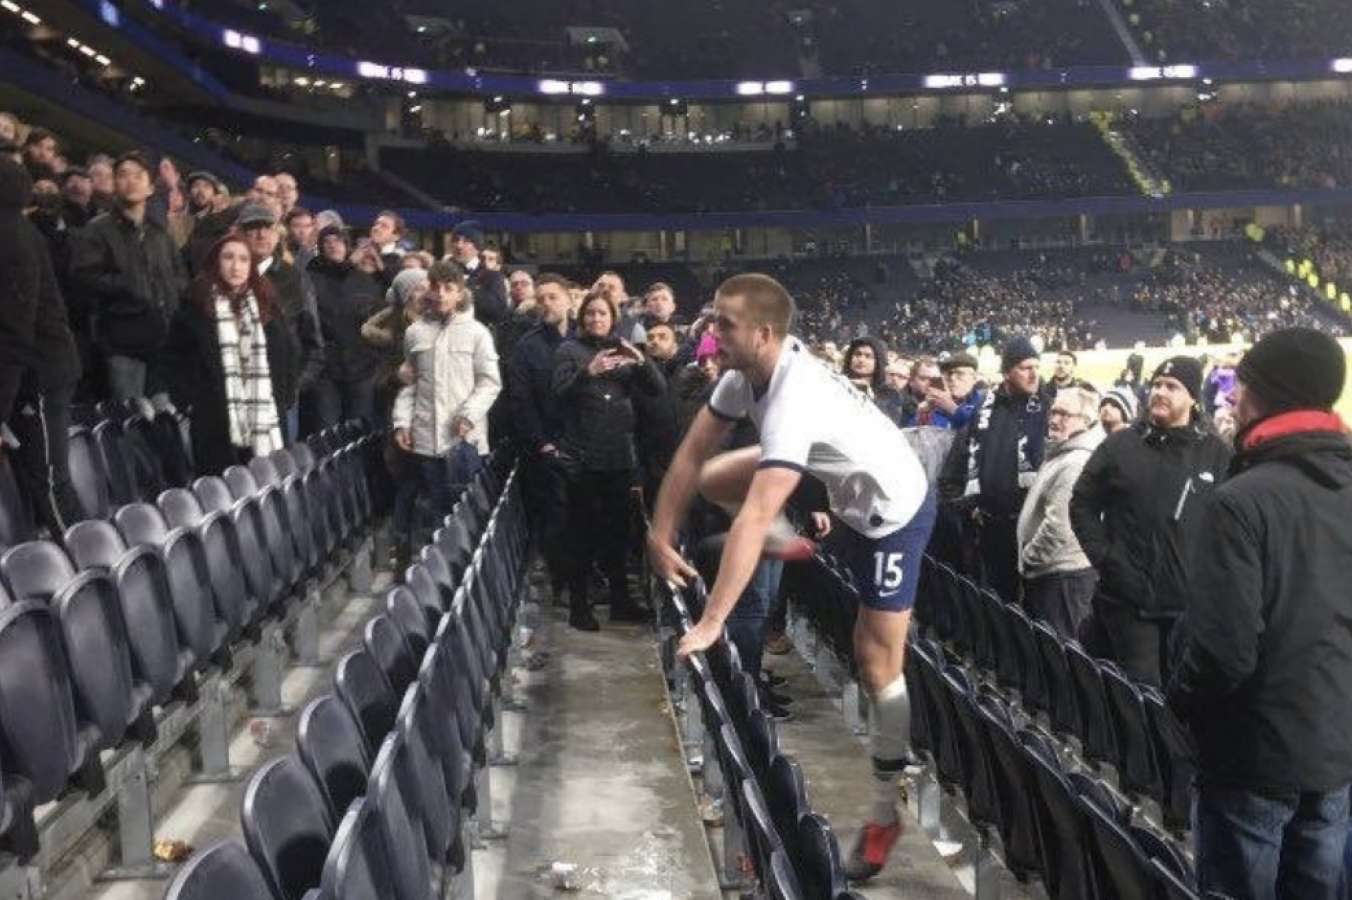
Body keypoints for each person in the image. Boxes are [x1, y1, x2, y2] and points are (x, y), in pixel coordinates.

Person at [646, 273, 936, 882]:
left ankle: (886, 810)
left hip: (892, 509)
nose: (710, 333)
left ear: (764, 333)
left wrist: (711, 621)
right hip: (838, 471)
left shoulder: (793, 401)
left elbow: (750, 516)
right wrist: (659, 532)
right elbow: (690, 455)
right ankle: (787, 539)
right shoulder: (742, 376)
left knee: (876, 660)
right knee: (716, 475)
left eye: (723, 324)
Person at [1169, 328, 1352, 900]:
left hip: (1250, 759)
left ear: (1264, 393)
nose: (1231, 397)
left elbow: (1223, 651)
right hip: (1335, 752)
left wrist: (1181, 706)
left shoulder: (1240, 500)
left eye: (1238, 384)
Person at [1070, 355, 1232, 686]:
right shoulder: (1120, 445)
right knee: (1143, 695)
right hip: (1129, 601)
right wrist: (1106, 558)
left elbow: (1230, 524)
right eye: (1157, 384)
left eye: (1171, 387)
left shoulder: (1216, 453)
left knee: (1182, 697)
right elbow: (1082, 503)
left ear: (1192, 397)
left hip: (1188, 607)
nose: (1160, 391)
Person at [553, 290, 664, 630]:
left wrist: (641, 361)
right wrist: (588, 372)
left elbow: (657, 388)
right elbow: (558, 393)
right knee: (581, 536)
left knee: (618, 534)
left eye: (602, 314)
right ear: (581, 317)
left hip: (619, 456)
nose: (596, 319)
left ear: (613, 318)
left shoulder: (623, 349)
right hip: (582, 457)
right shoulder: (568, 350)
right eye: (590, 314)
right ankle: (579, 607)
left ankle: (621, 602)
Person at [392, 261, 501, 557]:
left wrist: (468, 415)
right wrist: (402, 422)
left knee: (468, 515)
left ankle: (465, 574)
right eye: (436, 287)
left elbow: (490, 383)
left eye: (448, 289)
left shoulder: (478, 333)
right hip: (426, 440)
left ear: (460, 293)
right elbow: (410, 384)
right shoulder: (414, 332)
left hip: (465, 442)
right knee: (432, 514)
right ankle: (437, 579)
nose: (441, 294)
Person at [0, 155, 83, 535]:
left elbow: (15, 332)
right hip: (32, 371)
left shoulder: (12, 237)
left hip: (40, 374)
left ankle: (95, 578)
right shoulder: (16, 230)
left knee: (49, 480)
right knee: (33, 480)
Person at [939, 337, 1053, 603]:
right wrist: (966, 507)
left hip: (1033, 530)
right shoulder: (984, 410)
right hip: (988, 529)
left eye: (1036, 366)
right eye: (1025, 367)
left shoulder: (1049, 409)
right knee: (997, 606)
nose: (1034, 373)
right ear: (1006, 372)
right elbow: (956, 463)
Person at [164, 233, 286, 476]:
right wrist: (188, 401)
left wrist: (281, 400)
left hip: (259, 416)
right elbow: (174, 359)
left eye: (243, 259)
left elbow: (285, 356)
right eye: (228, 257)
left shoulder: (265, 303)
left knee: (257, 488)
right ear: (215, 263)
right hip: (211, 417)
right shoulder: (194, 305)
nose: (236, 266)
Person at [70, 150, 187, 401]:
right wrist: (129, 287)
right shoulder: (98, 229)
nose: (131, 181)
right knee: (129, 420)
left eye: (138, 175)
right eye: (123, 175)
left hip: (162, 339)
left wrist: (173, 301)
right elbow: (85, 278)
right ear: (114, 184)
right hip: (121, 340)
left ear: (150, 187)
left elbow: (178, 275)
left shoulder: (160, 233)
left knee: (164, 421)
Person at [1016, 385, 1102, 638]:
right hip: (1052, 574)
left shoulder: (1076, 462)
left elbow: (1059, 527)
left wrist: (1029, 559)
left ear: (1085, 420)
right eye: (1053, 412)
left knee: (1061, 659)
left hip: (1061, 577)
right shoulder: (1063, 453)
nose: (1054, 420)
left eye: (1065, 414)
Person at [506, 273, 572, 599]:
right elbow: (520, 402)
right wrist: (541, 442)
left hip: (588, 446)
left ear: (569, 300)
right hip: (546, 447)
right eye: (541, 297)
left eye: (553, 297)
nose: (546, 303)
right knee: (556, 517)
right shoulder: (526, 346)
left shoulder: (588, 339)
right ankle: (561, 582)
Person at [240, 202, 322, 444]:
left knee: (276, 471)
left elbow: (313, 341)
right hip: (235, 394)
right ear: (241, 235)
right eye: (253, 228)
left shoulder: (295, 278)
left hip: (281, 394)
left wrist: (294, 386)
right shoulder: (225, 277)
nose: (261, 234)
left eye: (267, 227)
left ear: (277, 234)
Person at [305, 224, 383, 432]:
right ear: (320, 247)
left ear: (347, 246)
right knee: (326, 431)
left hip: (362, 369)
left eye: (338, 240)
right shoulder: (309, 279)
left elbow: (379, 320)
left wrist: (373, 359)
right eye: (326, 242)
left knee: (359, 432)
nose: (332, 245)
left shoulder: (364, 280)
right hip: (325, 370)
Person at [447, 220, 508, 327]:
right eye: (456, 240)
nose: (459, 245)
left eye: (466, 241)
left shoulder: (492, 276)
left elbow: (498, 311)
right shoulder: (442, 273)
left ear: (477, 247)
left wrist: (466, 286)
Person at [843, 337, 906, 425]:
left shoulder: (890, 394)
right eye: (857, 354)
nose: (861, 360)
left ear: (878, 361)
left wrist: (870, 396)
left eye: (868, 356)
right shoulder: (839, 384)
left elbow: (890, 424)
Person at [928, 353, 983, 430]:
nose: (952, 378)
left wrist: (952, 409)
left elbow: (981, 431)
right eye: (949, 374)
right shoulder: (935, 406)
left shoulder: (984, 404)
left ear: (974, 378)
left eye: (960, 374)